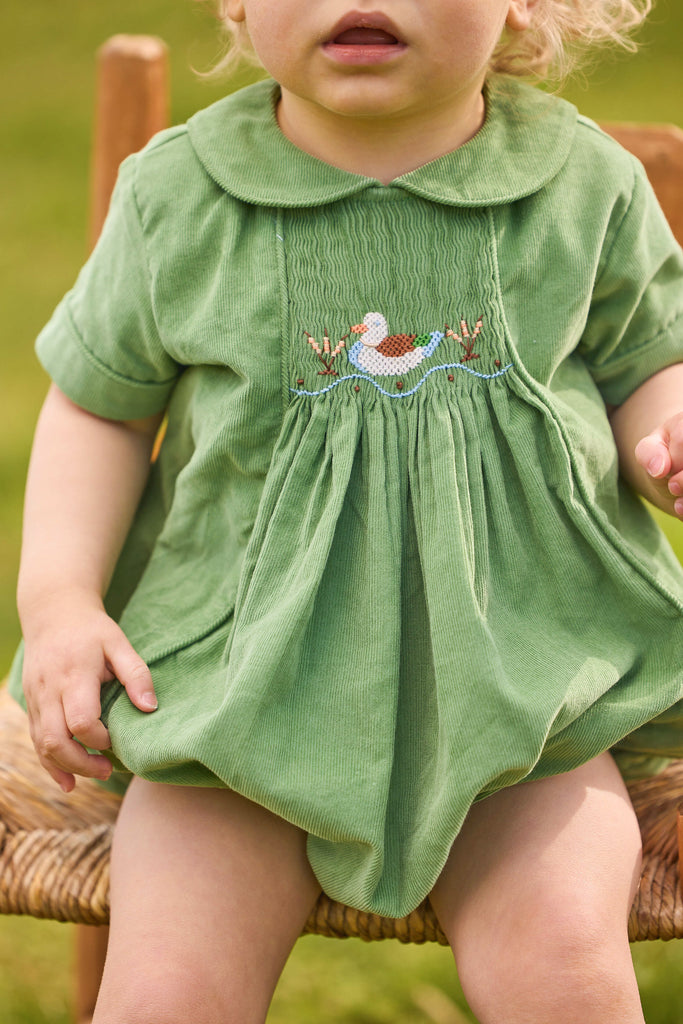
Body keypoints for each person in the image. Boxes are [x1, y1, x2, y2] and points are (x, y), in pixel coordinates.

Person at [10, 1, 683, 1021]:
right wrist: (61, 598)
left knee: (563, 971)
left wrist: (666, 433)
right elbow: (98, 409)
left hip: (522, 709)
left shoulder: (582, 188)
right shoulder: (178, 195)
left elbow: (648, 366)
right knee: (166, 990)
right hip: (228, 717)